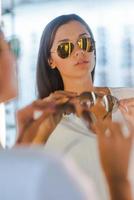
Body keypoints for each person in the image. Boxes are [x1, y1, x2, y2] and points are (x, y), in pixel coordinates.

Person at [16, 14, 134, 200]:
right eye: (65, 48)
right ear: (50, 61)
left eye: (85, 43)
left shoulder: (129, 98)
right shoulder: (45, 123)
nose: (79, 52)